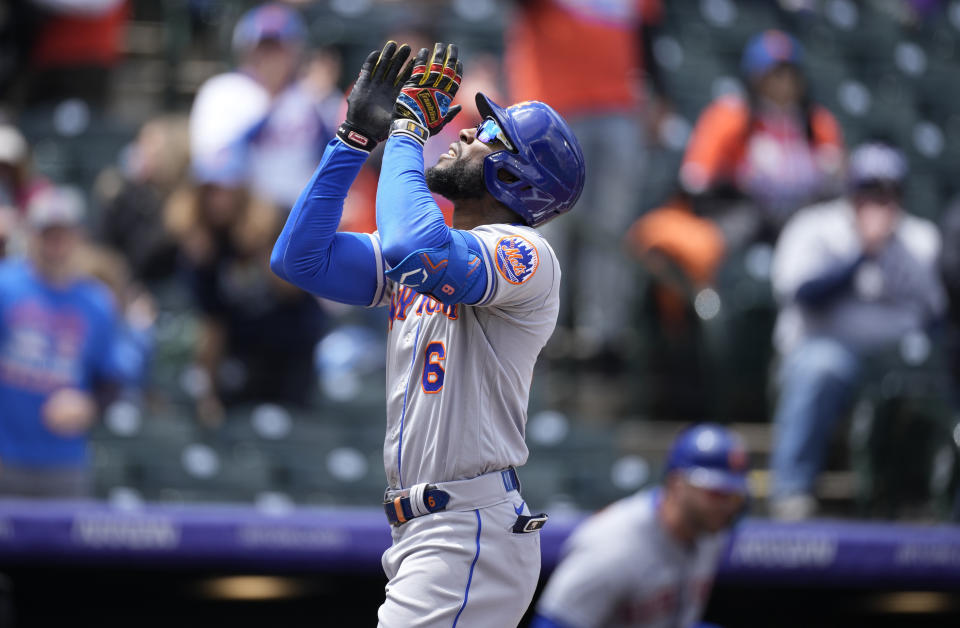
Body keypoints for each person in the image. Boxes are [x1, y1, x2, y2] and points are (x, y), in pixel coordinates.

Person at [271, 41, 585, 626]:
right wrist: (353, 143)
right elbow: (299, 260)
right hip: (429, 531)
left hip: (468, 531)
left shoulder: (527, 253)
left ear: (515, 174)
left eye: (489, 135)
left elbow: (414, 248)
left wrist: (410, 129)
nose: (466, 133)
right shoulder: (433, 249)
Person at [768, 142, 946, 520]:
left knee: (927, 375)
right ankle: (791, 490)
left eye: (889, 191)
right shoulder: (815, 227)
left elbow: (936, 313)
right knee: (822, 369)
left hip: (894, 357)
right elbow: (805, 295)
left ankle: (915, 497)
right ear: (851, 191)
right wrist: (863, 253)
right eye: (869, 190)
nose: (879, 201)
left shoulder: (921, 239)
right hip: (826, 346)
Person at [505, 0, 667, 363]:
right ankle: (539, 331)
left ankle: (601, 338)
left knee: (610, 229)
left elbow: (647, 34)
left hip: (620, 109)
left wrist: (661, 96)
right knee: (548, 223)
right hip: (547, 109)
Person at [165, 146, 324, 428]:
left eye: (225, 190)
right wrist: (208, 393)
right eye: (210, 191)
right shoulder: (202, 247)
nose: (218, 200)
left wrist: (261, 249)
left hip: (292, 350)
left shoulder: (277, 221)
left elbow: (295, 291)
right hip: (241, 356)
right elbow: (212, 323)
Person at [532, 423, 749, 628]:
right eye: (716, 494)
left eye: (734, 496)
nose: (727, 506)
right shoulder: (614, 545)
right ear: (677, 484)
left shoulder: (710, 533)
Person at [0, 186, 133, 497]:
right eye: (48, 234)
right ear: (31, 236)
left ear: (78, 237)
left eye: (63, 234)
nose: (55, 245)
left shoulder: (97, 303)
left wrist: (90, 405)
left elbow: (112, 380)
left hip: (64, 462)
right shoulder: (5, 286)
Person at [189, 2, 336, 212]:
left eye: (280, 48)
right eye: (264, 48)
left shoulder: (311, 97)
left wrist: (317, 109)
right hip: (244, 209)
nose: (272, 57)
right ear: (246, 51)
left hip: (299, 209)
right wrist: (271, 107)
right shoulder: (223, 91)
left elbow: (330, 158)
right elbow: (214, 166)